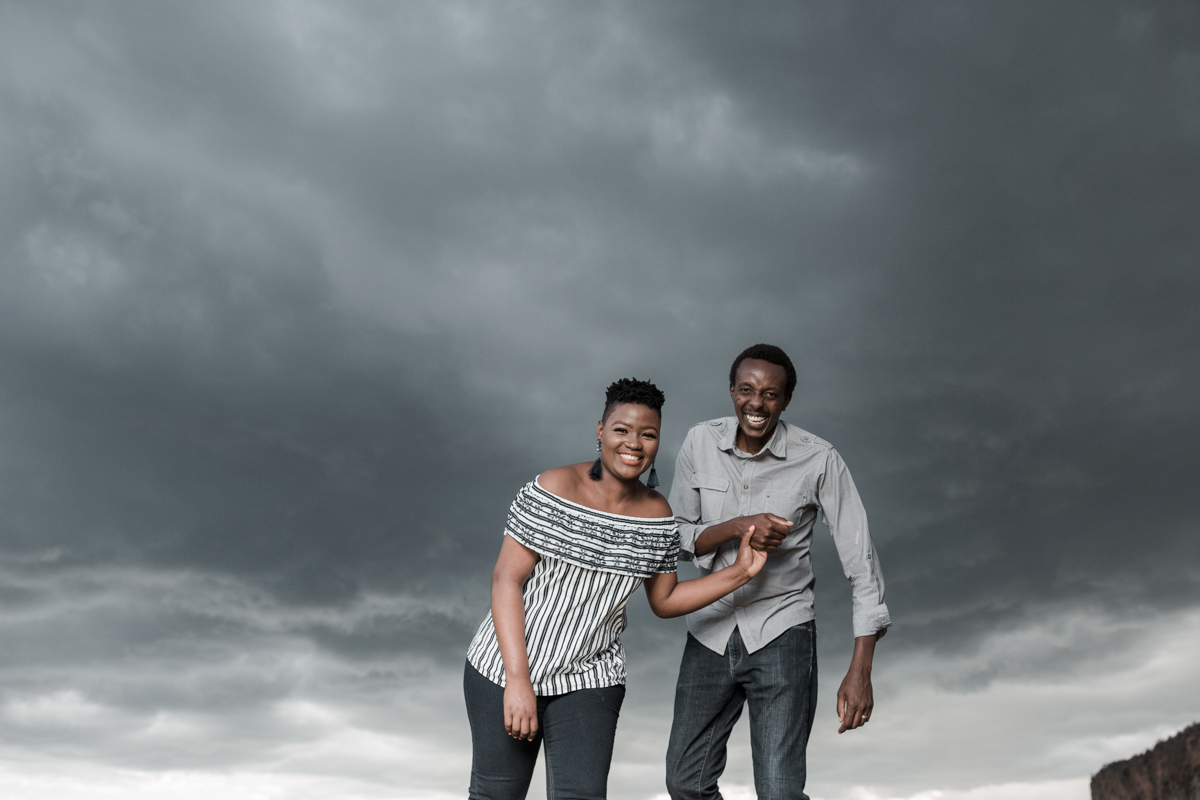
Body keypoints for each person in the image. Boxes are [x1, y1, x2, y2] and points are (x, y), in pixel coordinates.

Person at [464, 378, 769, 800]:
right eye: (622, 430)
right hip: (507, 667)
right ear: (601, 432)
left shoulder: (657, 515)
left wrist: (740, 572)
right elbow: (506, 579)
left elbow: (664, 601)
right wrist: (518, 680)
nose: (635, 444)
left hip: (591, 673)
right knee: (497, 793)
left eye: (648, 434)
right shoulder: (553, 488)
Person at [664, 344, 891, 800]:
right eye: (746, 390)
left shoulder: (820, 458)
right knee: (685, 783)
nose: (756, 403)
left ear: (786, 400)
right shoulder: (700, 442)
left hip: (783, 632)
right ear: (731, 391)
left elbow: (862, 565)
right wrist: (736, 528)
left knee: (780, 794)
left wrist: (861, 670)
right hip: (709, 628)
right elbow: (677, 538)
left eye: (770, 394)